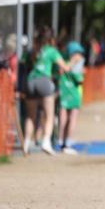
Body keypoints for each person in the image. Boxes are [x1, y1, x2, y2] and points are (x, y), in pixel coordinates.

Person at [23, 26, 69, 156]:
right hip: (44, 81)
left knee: (30, 116)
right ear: (51, 38)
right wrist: (73, 62)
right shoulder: (52, 51)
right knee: (49, 115)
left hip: (30, 80)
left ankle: (26, 143)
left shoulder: (34, 49)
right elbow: (65, 67)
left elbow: (27, 63)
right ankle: (46, 141)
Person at [57, 41, 86, 154]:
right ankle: (66, 142)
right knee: (71, 118)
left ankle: (62, 141)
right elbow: (79, 80)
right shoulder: (75, 63)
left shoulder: (61, 61)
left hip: (63, 92)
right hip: (73, 92)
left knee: (63, 117)